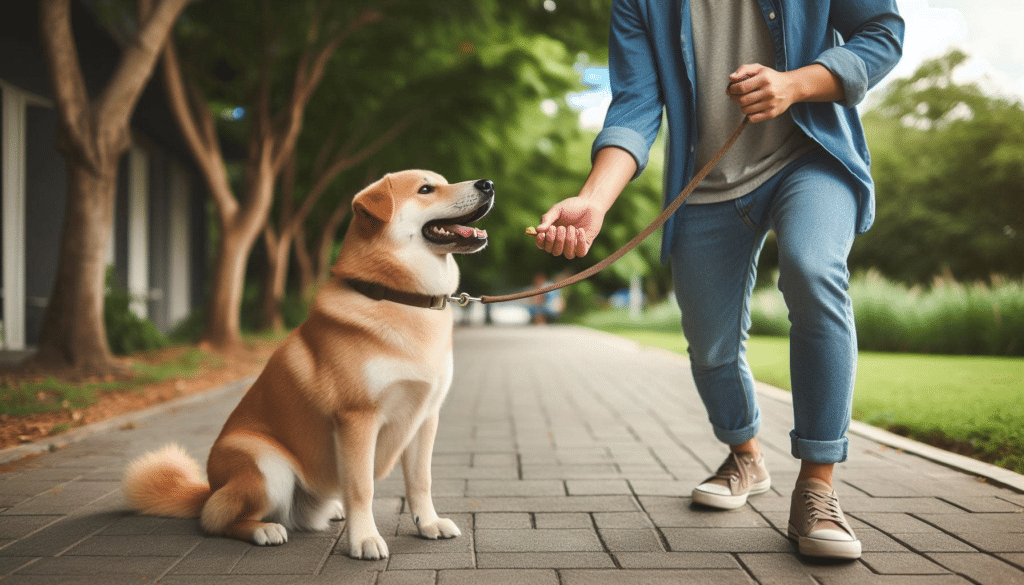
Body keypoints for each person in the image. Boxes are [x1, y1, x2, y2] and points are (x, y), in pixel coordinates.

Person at [531, 0, 903, 560]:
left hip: (811, 154)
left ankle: (817, 487)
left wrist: (797, 84)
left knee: (812, 268)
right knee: (710, 346)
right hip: (705, 182)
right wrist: (593, 200)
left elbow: (882, 32)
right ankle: (745, 455)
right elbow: (634, 105)